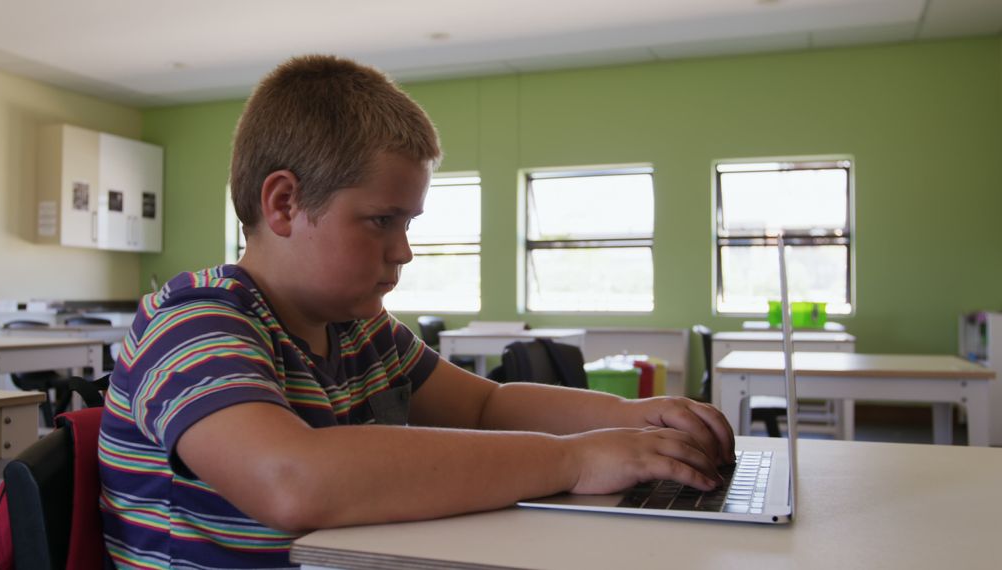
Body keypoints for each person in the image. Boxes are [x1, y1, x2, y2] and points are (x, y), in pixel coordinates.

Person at [98, 54, 735, 569]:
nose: (403, 250)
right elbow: (292, 480)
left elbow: (487, 407)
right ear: (285, 204)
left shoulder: (361, 329)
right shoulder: (194, 323)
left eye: (408, 223)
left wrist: (633, 421)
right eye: (382, 220)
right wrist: (574, 458)